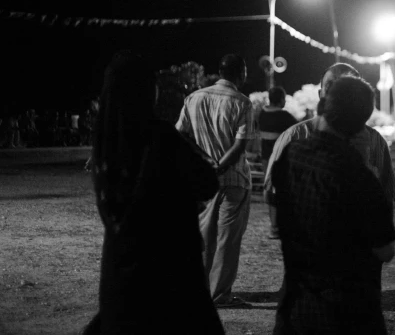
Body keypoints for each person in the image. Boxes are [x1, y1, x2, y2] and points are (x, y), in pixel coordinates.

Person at [83, 51, 224, 335]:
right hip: (168, 276)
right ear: (145, 90)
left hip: (121, 276)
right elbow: (207, 181)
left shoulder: (104, 147)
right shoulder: (161, 137)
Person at [272, 76, 395, 334]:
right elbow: (385, 250)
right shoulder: (357, 176)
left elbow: (276, 204)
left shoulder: (291, 153)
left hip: (296, 305)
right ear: (363, 120)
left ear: (324, 105)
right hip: (346, 312)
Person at [264, 63, 395, 239]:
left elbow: (386, 196)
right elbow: (273, 190)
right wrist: (278, 228)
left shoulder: (376, 142)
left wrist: (381, 236)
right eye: (331, 86)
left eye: (345, 87)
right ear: (321, 94)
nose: (338, 92)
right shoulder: (293, 136)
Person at [176, 53, 255, 308]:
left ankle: (196, 290)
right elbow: (240, 145)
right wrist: (220, 168)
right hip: (233, 180)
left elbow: (181, 136)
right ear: (241, 73)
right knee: (227, 241)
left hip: (201, 181)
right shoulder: (242, 102)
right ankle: (219, 295)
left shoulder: (194, 98)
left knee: (203, 237)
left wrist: (202, 163)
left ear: (220, 72)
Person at [255, 86, 298, 166]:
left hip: (265, 160)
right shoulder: (285, 116)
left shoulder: (262, 114)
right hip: (280, 160)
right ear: (281, 100)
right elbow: (300, 130)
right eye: (284, 99)